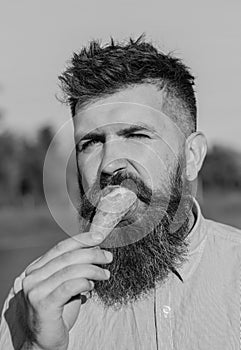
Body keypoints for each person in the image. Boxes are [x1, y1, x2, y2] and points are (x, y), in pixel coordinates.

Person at [1, 35, 241, 350]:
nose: (108, 164)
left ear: (192, 156)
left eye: (136, 134)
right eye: (90, 143)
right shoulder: (35, 296)